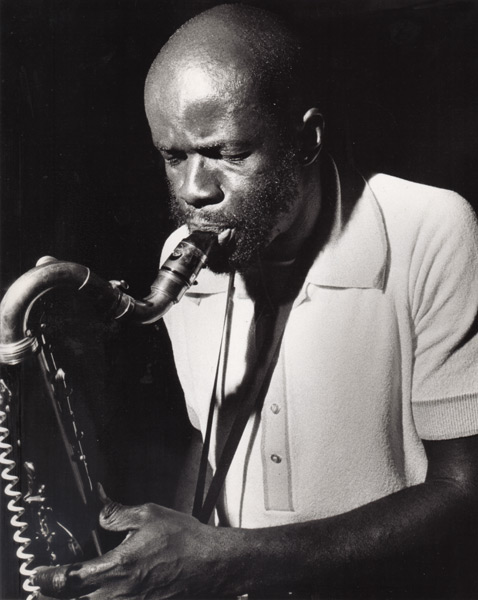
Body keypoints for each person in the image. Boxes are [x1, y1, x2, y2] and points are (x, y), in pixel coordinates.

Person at [36, 4, 478, 599]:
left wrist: (229, 562)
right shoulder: (184, 253)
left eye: (228, 153)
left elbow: (464, 490)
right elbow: (211, 431)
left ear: (308, 138)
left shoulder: (430, 227)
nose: (196, 191)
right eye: (174, 156)